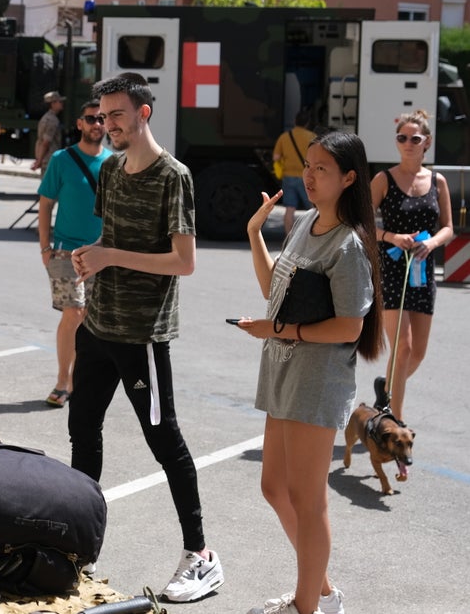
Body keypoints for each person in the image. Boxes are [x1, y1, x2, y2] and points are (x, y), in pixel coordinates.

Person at [69, 73, 223, 603]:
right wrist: (92, 255)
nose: (106, 124)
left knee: (165, 442)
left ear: (143, 114)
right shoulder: (110, 169)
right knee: (81, 431)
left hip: (142, 334)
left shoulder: (173, 176)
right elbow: (111, 239)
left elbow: (184, 262)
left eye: (116, 115)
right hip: (98, 323)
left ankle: (200, 555)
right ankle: (76, 549)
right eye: (101, 115)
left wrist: (110, 255)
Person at [236, 131, 383, 614]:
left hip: (317, 380)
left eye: (323, 168)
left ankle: (306, 608)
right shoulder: (306, 225)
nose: (311, 175)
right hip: (284, 370)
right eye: (309, 165)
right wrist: (255, 232)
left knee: (307, 497)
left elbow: (349, 327)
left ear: (348, 178)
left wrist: (279, 329)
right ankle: (321, 593)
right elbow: (271, 288)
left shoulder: (349, 246)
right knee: (274, 487)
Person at [370, 110, 453, 421]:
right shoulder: (384, 179)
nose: (407, 143)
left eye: (414, 138)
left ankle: (387, 390)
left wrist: (431, 242)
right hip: (391, 269)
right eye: (401, 138)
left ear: (426, 142)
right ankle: (393, 418)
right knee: (402, 347)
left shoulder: (437, 181)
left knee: (417, 353)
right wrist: (391, 236)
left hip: (422, 270)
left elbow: (447, 227)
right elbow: (361, 223)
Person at [37, 100, 111, 408]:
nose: (97, 124)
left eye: (102, 119)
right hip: (66, 252)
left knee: (93, 320)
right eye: (91, 118)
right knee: (74, 313)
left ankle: (83, 379)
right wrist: (45, 247)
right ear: (79, 123)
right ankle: (63, 380)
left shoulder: (114, 163)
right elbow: (45, 204)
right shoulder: (62, 159)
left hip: (102, 254)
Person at [273, 108, 315, 236]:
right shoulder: (312, 137)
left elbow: (276, 158)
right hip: (307, 177)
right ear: (307, 123)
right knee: (313, 209)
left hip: (288, 177)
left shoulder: (284, 137)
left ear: (295, 121)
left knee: (289, 209)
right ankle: (312, 237)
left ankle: (289, 239)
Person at [31, 90, 65, 174]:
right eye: (59, 101)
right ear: (53, 104)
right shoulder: (52, 120)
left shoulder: (47, 117)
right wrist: (39, 160)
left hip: (47, 160)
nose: (62, 103)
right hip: (49, 160)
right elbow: (46, 142)